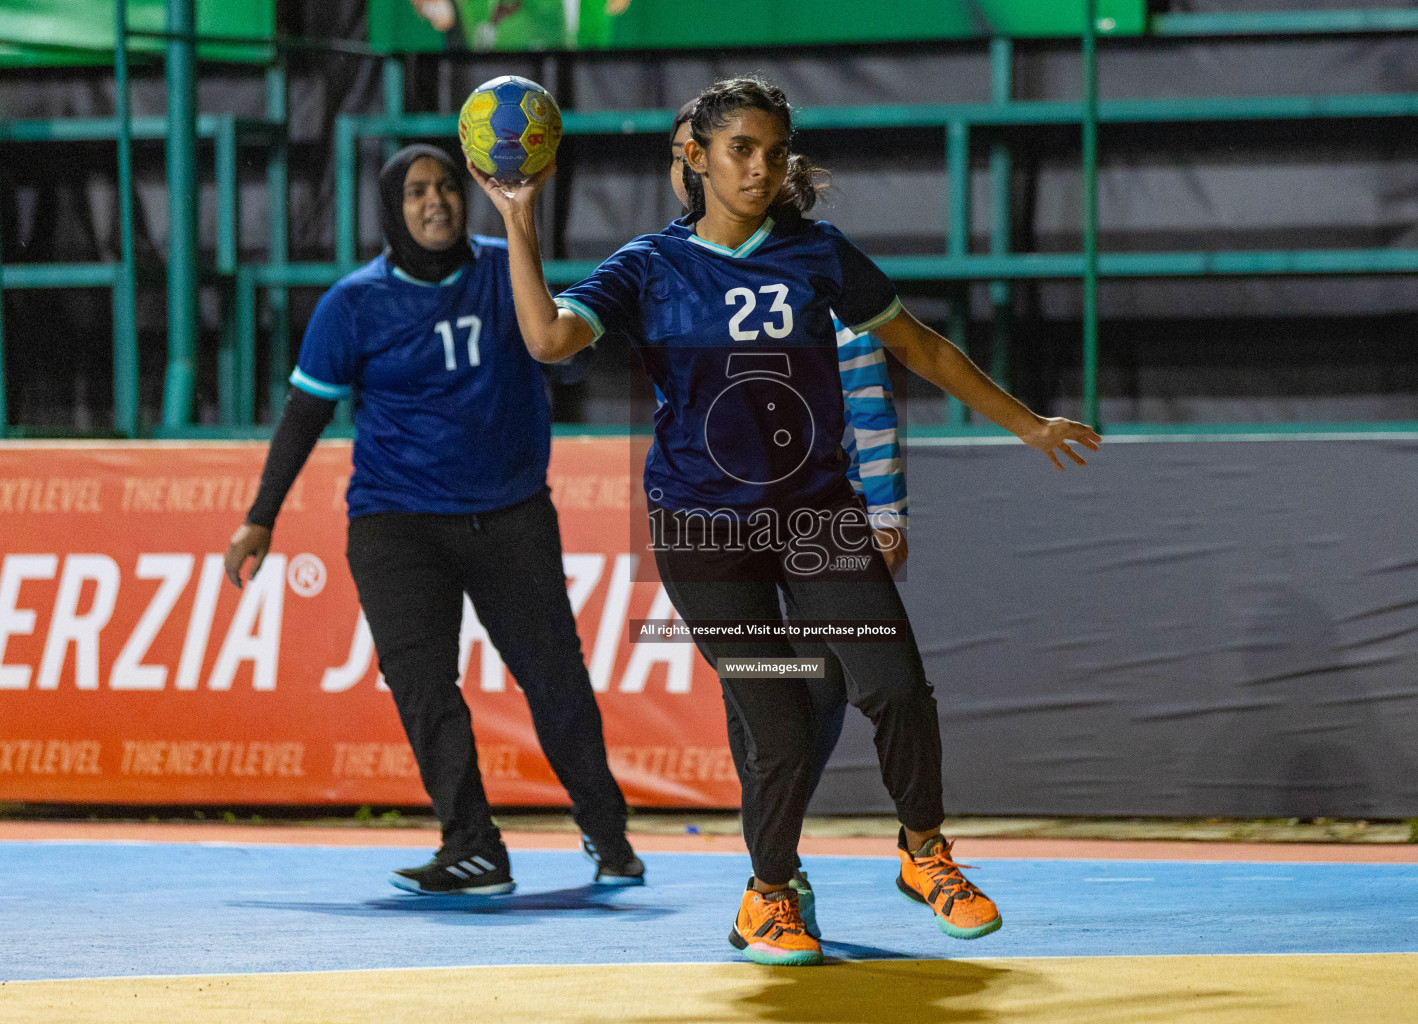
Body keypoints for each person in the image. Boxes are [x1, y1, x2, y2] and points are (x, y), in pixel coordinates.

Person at [470, 77, 1099, 965]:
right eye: (741, 150)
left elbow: (919, 348)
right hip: (704, 534)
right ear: (695, 156)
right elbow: (546, 340)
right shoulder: (649, 266)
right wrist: (520, 218)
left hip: (816, 519)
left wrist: (1028, 424)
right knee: (779, 722)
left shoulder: (819, 256)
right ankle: (770, 895)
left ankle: (927, 855)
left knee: (894, 686)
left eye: (774, 151)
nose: (761, 168)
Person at [223, 143, 643, 896]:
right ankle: (473, 844)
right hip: (396, 524)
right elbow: (304, 415)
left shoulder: (500, 271)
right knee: (422, 684)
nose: (436, 201)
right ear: (394, 208)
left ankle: (608, 834)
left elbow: (568, 355)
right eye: (416, 191)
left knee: (554, 680)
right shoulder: (352, 304)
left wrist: (562, 332)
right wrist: (260, 518)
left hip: (510, 513)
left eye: (447, 185)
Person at [667, 98, 912, 941]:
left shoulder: (821, 279)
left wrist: (884, 509)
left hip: (814, 520)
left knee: (825, 685)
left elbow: (871, 405)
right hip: (727, 529)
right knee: (766, 701)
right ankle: (774, 876)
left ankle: (772, 870)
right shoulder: (687, 278)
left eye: (766, 159)